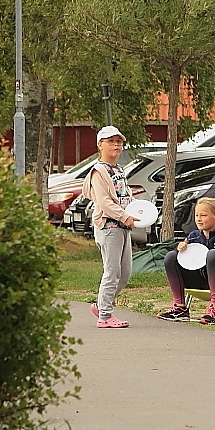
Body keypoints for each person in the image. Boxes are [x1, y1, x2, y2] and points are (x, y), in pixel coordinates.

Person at [83, 125, 139, 329]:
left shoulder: (118, 169)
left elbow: (125, 195)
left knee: (124, 273)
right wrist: (124, 216)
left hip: (123, 226)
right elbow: (104, 202)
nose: (116, 145)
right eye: (111, 141)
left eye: (119, 142)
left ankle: (101, 305)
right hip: (109, 226)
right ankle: (105, 316)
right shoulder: (99, 171)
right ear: (100, 145)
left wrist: (135, 210)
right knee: (112, 271)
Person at [157, 197, 215, 324]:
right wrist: (180, 249)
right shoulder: (193, 236)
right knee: (171, 256)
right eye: (197, 215)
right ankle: (180, 307)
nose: (198, 219)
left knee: (212, 254)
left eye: (203, 215)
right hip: (197, 279)